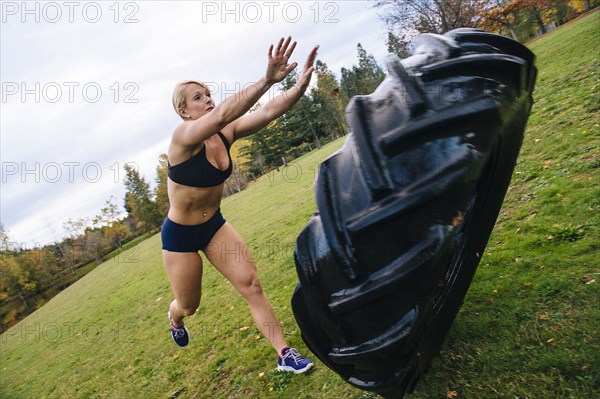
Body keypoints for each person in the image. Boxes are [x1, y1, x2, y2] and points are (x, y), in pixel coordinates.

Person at [161, 36, 318, 374]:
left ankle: (284, 354)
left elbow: (269, 111)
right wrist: (265, 80)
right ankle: (174, 317)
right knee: (189, 305)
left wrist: (299, 85)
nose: (208, 100)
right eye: (198, 98)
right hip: (180, 237)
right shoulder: (182, 140)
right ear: (184, 111)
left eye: (208, 94)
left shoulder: (224, 132)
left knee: (251, 284)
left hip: (214, 225)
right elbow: (227, 113)